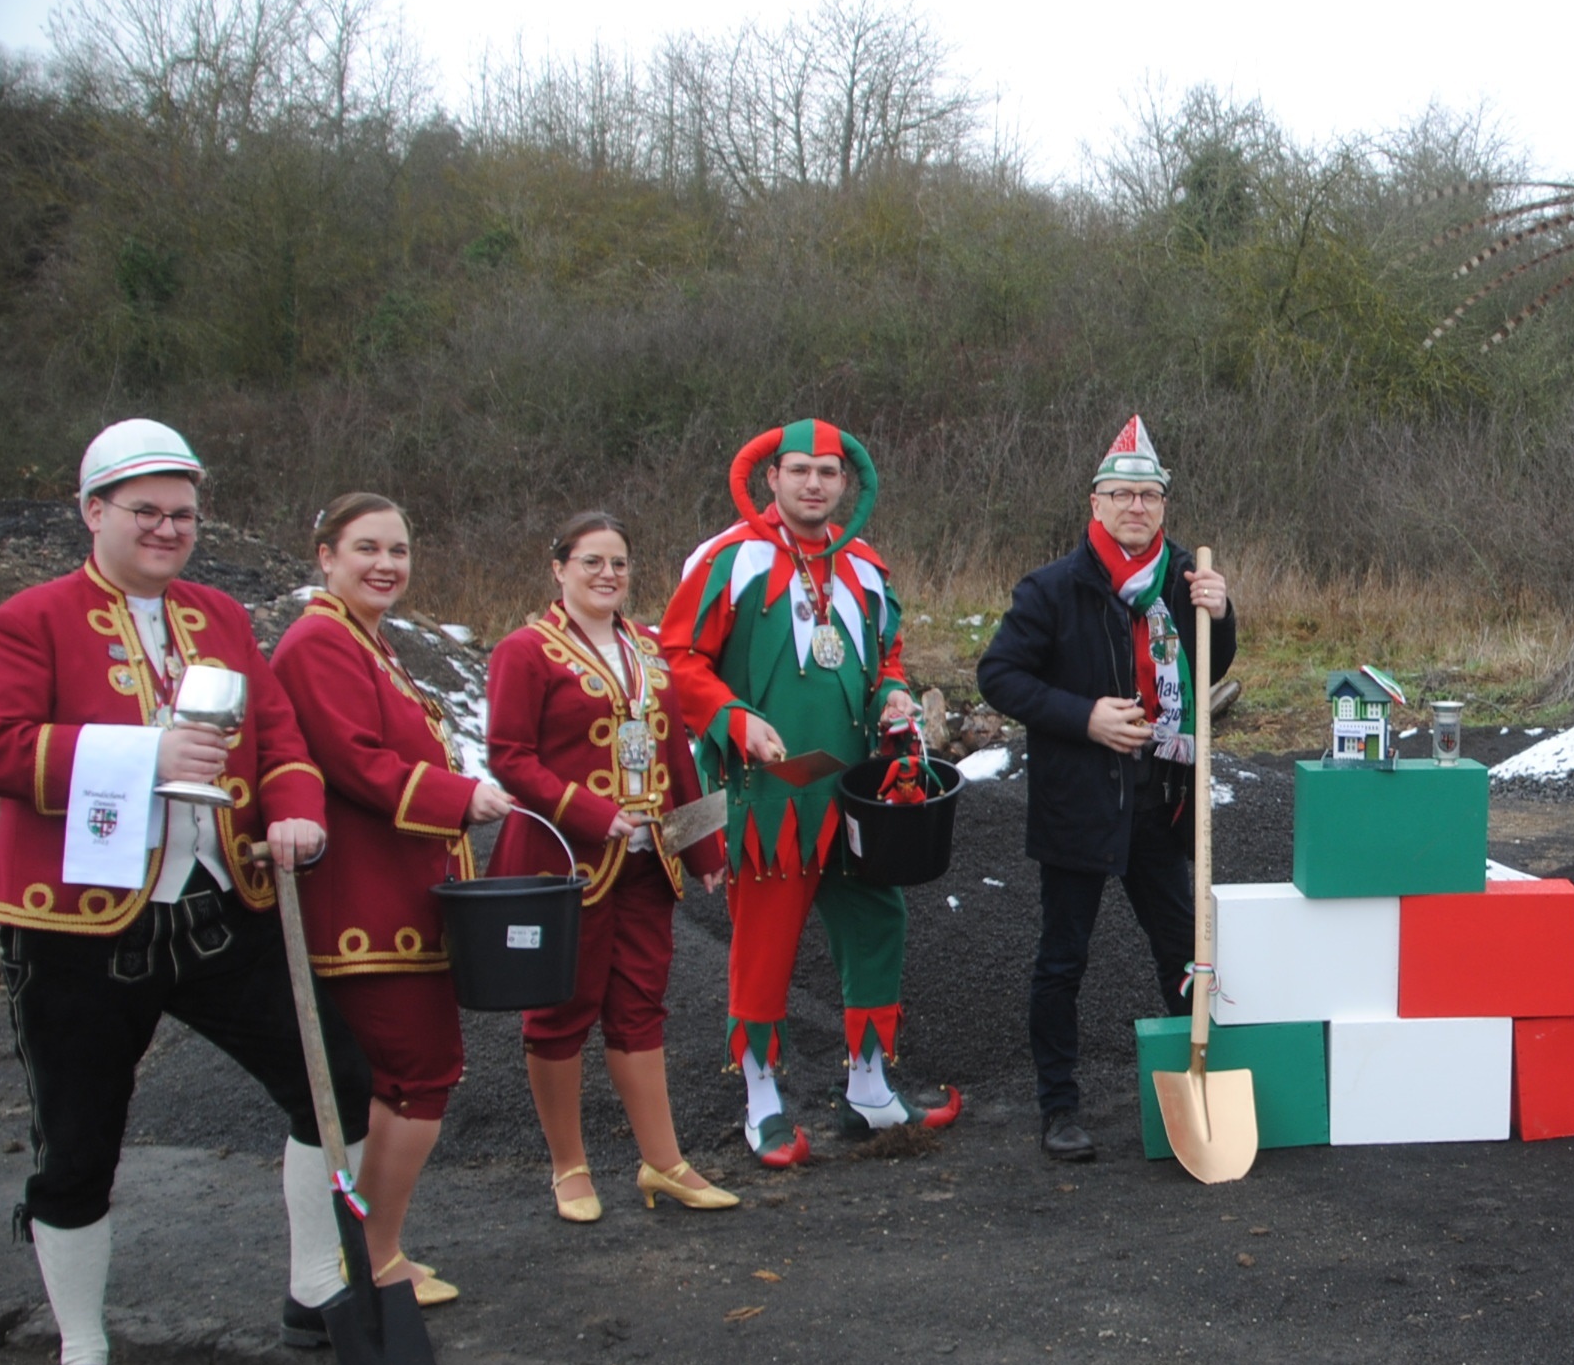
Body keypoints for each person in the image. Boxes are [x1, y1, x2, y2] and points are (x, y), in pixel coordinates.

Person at [0, 420, 366, 1365]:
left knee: (337, 1085)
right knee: (77, 1144)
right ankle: (82, 1350)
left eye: (183, 514)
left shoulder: (219, 615)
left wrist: (294, 810)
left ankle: (315, 1285)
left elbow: (279, 741)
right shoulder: (27, 621)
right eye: (147, 511)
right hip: (74, 929)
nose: (169, 530)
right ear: (93, 512)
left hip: (219, 906)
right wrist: (143, 752)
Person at [662, 419, 960, 1169]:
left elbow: (885, 659)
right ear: (772, 478)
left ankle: (869, 1086)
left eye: (828, 472)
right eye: (799, 470)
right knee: (764, 941)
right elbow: (679, 659)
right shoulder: (728, 560)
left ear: (845, 483)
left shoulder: (864, 566)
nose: (814, 484)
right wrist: (734, 718)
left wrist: (893, 697)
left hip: (855, 793)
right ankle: (761, 1097)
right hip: (765, 793)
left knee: (879, 920)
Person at [976, 417, 1236, 1163]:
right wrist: (1083, 717)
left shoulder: (1185, 580)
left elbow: (1210, 666)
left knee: (1184, 952)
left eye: (1148, 495)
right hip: (1080, 803)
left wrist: (1222, 615)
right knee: (1063, 960)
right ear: (1095, 503)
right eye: (1121, 494)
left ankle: (1199, 1083)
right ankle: (1059, 1106)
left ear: (1163, 505)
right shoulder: (1053, 588)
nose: (1135, 507)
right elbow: (999, 676)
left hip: (1162, 801)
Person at [274, 494, 508, 1306]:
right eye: (367, 548)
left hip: (401, 895)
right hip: (364, 907)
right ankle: (369, 1259)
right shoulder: (319, 643)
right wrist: (458, 797)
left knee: (399, 1079)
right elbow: (355, 760)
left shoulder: (368, 642)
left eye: (398, 551)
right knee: (417, 1074)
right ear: (326, 556)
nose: (386, 565)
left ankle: (370, 1252)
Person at [486, 513, 738, 1221]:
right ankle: (568, 1166)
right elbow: (509, 757)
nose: (607, 575)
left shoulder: (648, 649)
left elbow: (676, 751)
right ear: (559, 568)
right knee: (559, 1009)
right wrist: (591, 814)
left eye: (619, 563)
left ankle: (663, 1160)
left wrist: (702, 844)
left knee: (640, 1005)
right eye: (591, 562)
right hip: (564, 863)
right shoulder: (524, 651)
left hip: (646, 861)